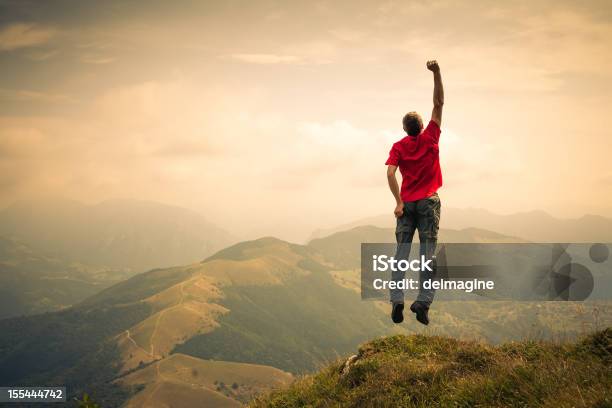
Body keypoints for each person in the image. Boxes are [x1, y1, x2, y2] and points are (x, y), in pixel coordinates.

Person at [385, 60, 444, 325]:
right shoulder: (431, 136)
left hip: (407, 204)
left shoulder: (398, 146)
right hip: (428, 203)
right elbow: (438, 103)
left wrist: (398, 202)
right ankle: (422, 303)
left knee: (401, 253)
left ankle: (397, 299)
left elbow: (389, 173)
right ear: (422, 126)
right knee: (427, 254)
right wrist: (436, 73)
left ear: (405, 129)